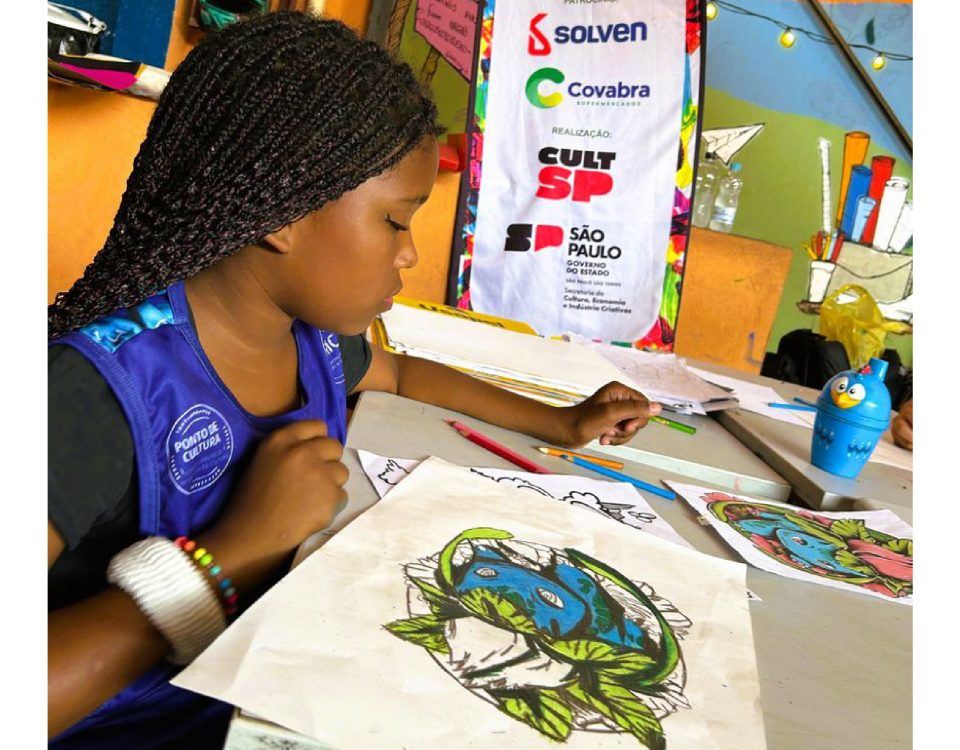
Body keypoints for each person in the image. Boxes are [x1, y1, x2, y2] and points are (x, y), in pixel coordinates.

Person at [47, 12, 660, 749]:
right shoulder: (88, 395)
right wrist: (232, 553)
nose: (409, 255)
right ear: (283, 213)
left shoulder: (312, 340)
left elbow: (400, 372)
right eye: (397, 221)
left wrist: (558, 422)